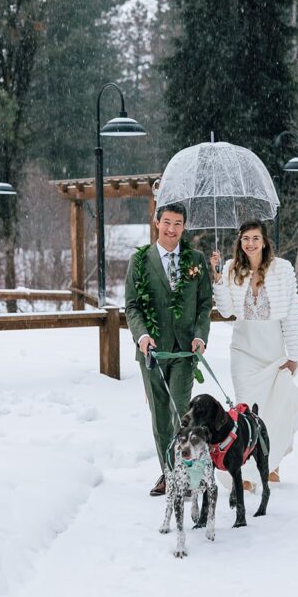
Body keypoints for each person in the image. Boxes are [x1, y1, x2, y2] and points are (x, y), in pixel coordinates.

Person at [125, 203, 213, 497]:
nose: (172, 228)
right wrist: (142, 336)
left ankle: (187, 473)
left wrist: (200, 336)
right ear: (156, 222)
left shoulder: (196, 260)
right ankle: (168, 472)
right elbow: (132, 306)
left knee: (181, 411)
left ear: (184, 227)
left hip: (185, 352)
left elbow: (203, 305)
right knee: (160, 415)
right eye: (167, 222)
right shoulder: (139, 261)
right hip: (153, 353)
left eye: (178, 223)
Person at [210, 220, 298, 491]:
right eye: (245, 239)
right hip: (244, 351)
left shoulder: (282, 270)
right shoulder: (231, 268)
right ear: (240, 242)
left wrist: (294, 355)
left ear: (264, 241)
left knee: (273, 408)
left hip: (273, 351)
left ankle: (271, 463)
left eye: (255, 238)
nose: (250, 243)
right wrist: (217, 277)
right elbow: (227, 311)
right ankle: (244, 471)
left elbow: (291, 314)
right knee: (246, 412)